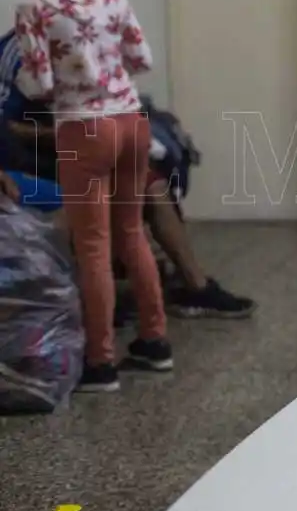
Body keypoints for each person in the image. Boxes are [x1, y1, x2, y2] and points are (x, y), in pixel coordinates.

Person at [13, 0, 172, 393]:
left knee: (94, 245)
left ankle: (101, 363)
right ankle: (155, 341)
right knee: (132, 233)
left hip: (84, 128)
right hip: (131, 121)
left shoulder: (35, 5)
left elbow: (37, 85)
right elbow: (141, 57)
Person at [0, 29, 254, 319]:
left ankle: (196, 286)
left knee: (150, 183)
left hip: (74, 147)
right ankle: (94, 299)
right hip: (26, 153)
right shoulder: (17, 54)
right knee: (98, 187)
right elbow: (8, 128)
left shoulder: (84, 47)